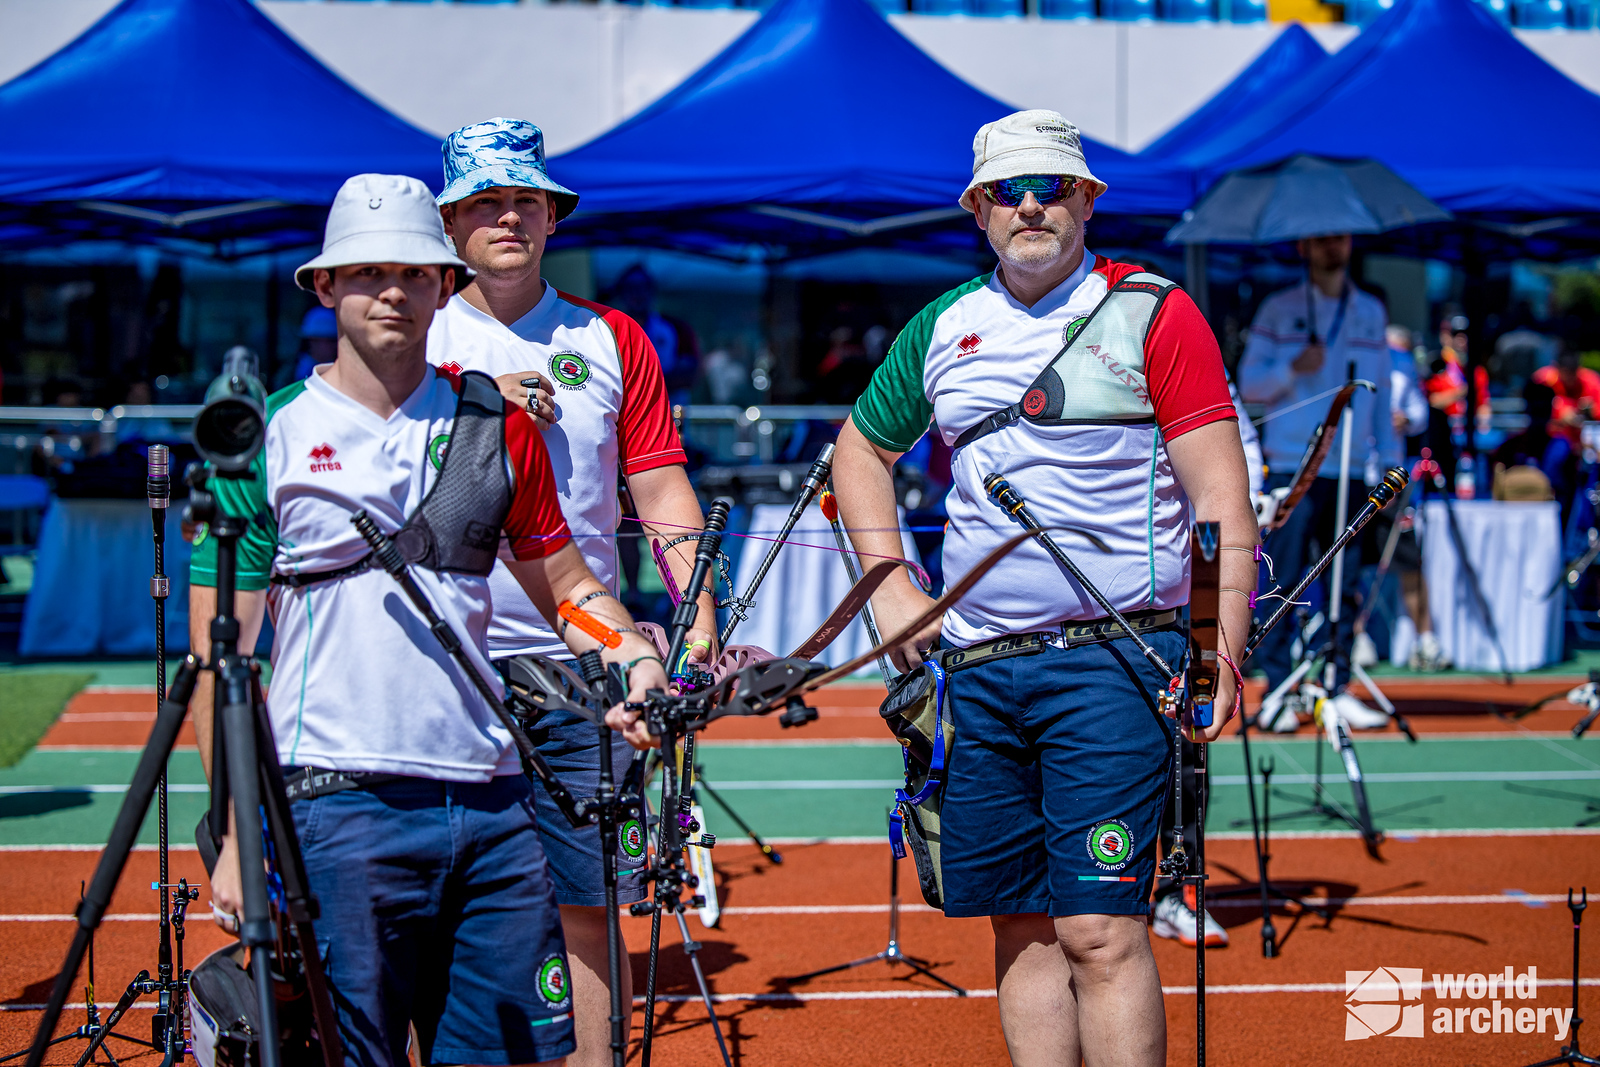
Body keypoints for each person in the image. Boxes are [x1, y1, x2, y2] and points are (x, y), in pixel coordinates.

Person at [190, 173, 666, 1067]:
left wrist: (634, 655)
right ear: (325, 286)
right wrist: (233, 838)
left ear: (445, 284)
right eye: (366, 272)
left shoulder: (497, 425)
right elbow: (224, 662)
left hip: (492, 807)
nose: (392, 291)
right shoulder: (267, 438)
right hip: (336, 804)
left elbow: (567, 588)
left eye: (413, 273)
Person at [833, 109, 1255, 1066]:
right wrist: (891, 586)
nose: (1030, 206)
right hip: (975, 669)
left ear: (1088, 201)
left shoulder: (1155, 310)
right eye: (1006, 192)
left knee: (1099, 928)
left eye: (1051, 187)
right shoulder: (943, 325)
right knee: (1018, 929)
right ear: (978, 210)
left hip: (1114, 659)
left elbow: (1221, 492)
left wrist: (1217, 643)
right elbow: (857, 451)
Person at [427, 118, 718, 1067]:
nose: (508, 217)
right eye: (484, 202)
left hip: (580, 663)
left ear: (553, 216)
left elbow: (662, 488)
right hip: (440, 665)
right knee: (429, 897)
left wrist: (696, 623)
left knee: (590, 900)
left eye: (525, 200)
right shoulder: (409, 329)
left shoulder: (610, 335)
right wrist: (473, 395)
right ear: (449, 222)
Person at [1237, 233, 1398, 732]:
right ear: (1304, 246)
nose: (1335, 247)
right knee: (1282, 579)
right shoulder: (1279, 307)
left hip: (1352, 467)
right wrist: (1291, 367)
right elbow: (1248, 385)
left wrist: (1392, 465)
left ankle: (1336, 682)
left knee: (1344, 582)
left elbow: (1383, 393)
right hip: (1291, 464)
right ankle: (1279, 688)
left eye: (1342, 237)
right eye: (1323, 238)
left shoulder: (1370, 308)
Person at [1351, 324, 1448, 673]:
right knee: (1352, 559)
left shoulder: (1402, 362)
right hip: (1355, 472)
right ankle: (1356, 635)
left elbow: (1420, 413)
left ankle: (1427, 639)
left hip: (1392, 474)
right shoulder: (1347, 354)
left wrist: (1405, 418)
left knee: (1409, 558)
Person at [1532, 339, 1600, 450]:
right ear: (1557, 368)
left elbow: (1598, 410)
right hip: (1551, 435)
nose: (1570, 378)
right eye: (1566, 372)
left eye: (1573, 372)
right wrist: (1560, 412)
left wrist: (1590, 410)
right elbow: (1535, 407)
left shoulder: (1589, 380)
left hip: (1586, 436)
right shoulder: (1544, 380)